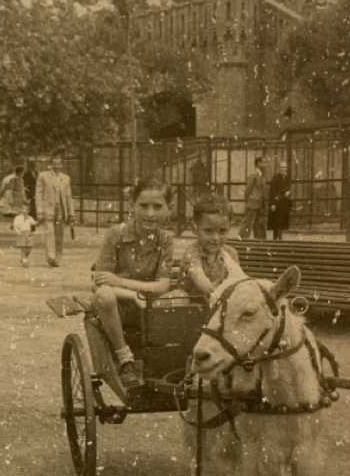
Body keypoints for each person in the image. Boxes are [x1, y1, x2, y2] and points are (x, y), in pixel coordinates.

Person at [92, 178, 174, 390]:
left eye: (158, 207)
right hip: (117, 307)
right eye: (143, 206)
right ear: (132, 205)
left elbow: (163, 285)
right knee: (104, 295)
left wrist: (119, 282)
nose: (150, 214)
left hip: (148, 307)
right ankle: (125, 359)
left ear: (168, 209)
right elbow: (100, 282)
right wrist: (132, 295)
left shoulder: (165, 240)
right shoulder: (116, 234)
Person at [178, 191, 241, 297]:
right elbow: (201, 282)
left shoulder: (231, 253)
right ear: (194, 228)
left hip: (219, 305)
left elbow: (238, 280)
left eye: (222, 231)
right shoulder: (192, 253)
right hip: (191, 305)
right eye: (208, 231)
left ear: (230, 227)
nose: (216, 238)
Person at [35, 152, 75, 267]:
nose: (56, 166)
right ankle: (51, 256)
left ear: (62, 164)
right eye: (54, 164)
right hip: (48, 209)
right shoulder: (43, 176)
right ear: (50, 164)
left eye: (59, 164)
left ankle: (57, 258)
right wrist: (39, 211)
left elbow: (68, 197)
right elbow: (38, 194)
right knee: (49, 232)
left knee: (59, 234)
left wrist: (71, 213)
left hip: (61, 210)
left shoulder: (66, 179)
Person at [238, 156, 267, 239]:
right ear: (258, 164)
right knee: (248, 221)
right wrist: (249, 201)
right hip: (253, 203)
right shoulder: (253, 175)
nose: (266, 164)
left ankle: (260, 240)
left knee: (259, 222)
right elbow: (248, 190)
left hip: (260, 204)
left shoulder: (262, 176)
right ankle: (242, 238)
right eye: (264, 162)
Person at [267, 168, 292, 241]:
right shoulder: (275, 178)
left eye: (284, 168)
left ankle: (280, 239)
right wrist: (273, 203)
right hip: (277, 203)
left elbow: (288, 188)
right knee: (276, 222)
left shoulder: (287, 178)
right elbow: (272, 192)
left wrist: (288, 193)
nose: (283, 169)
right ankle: (275, 239)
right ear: (279, 169)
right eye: (281, 168)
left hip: (284, 203)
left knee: (282, 222)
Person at [12, 203, 36, 267]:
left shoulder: (30, 218)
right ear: (20, 210)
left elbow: (34, 223)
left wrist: (39, 222)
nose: (25, 211)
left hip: (28, 233)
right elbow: (15, 226)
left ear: (29, 210)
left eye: (26, 209)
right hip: (21, 233)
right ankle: (25, 261)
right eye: (23, 209)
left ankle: (23, 258)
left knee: (29, 248)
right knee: (24, 247)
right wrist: (18, 232)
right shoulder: (18, 218)